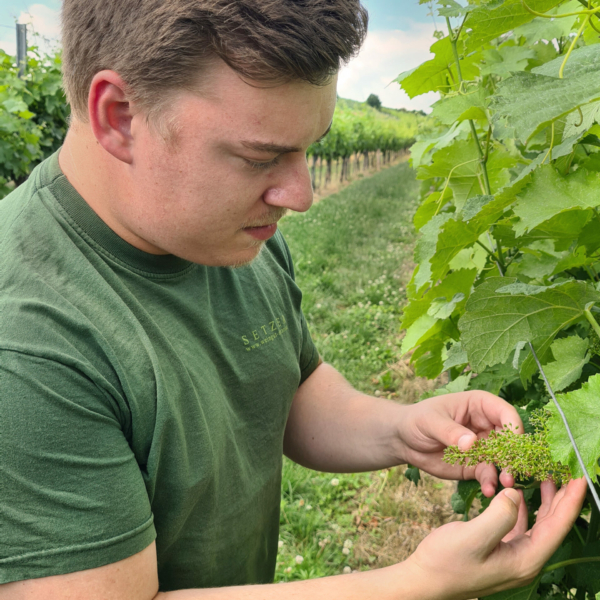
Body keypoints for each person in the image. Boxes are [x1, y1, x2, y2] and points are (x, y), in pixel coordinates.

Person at [0, 1, 586, 599]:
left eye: (309, 149)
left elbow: (289, 385)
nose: (300, 194)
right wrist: (416, 584)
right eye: (262, 157)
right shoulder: (25, 344)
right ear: (119, 117)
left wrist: (400, 430)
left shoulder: (228, 234)